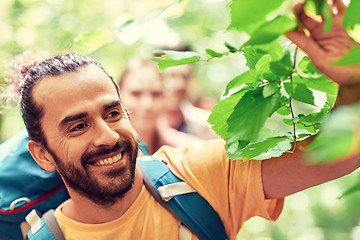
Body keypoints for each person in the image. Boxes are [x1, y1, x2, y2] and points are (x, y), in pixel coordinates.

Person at [19, 1, 360, 239]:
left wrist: (353, 81)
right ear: (43, 154)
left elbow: (337, 156)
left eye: (112, 113)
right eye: (78, 126)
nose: (107, 135)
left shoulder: (198, 178)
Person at [118, 57, 203, 154]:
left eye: (156, 94)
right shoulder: (107, 152)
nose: (147, 104)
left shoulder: (185, 150)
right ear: (119, 95)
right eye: (136, 93)